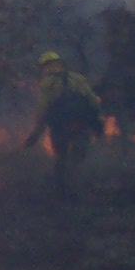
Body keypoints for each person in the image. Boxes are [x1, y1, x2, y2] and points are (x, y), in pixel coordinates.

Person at [32, 51, 103, 193]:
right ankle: (76, 187)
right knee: (77, 159)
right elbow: (93, 101)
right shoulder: (77, 79)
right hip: (81, 126)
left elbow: (43, 109)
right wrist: (96, 121)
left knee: (61, 158)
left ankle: (62, 189)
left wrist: (36, 133)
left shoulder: (47, 84)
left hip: (59, 128)